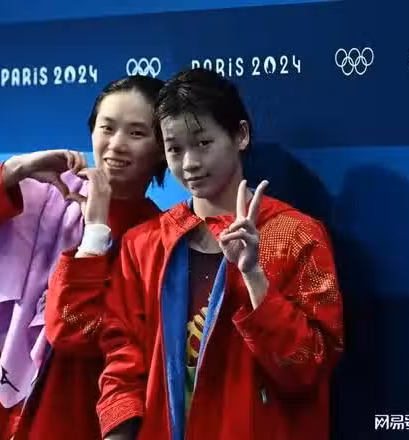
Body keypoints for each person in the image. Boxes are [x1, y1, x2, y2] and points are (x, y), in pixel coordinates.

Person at [97, 68, 345, 440]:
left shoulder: (295, 235)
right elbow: (122, 355)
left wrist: (255, 278)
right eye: (175, 149)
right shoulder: (144, 243)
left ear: (240, 135)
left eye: (203, 143)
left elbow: (310, 365)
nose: (189, 163)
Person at [0, 75, 166, 440]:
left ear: (163, 148)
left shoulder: (154, 237)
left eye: (136, 133)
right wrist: (15, 170)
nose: (116, 144)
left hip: (64, 412)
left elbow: (77, 330)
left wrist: (95, 232)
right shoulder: (41, 195)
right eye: (107, 128)